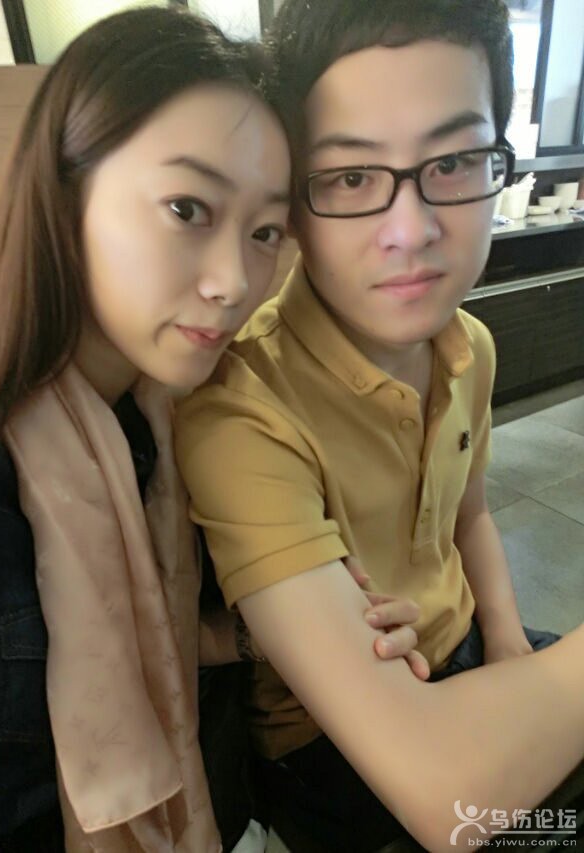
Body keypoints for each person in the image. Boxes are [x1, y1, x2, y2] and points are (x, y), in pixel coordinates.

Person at [0, 7, 428, 851]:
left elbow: (141, 632)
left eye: (264, 231)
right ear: (63, 189)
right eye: (186, 207)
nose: (234, 281)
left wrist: (284, 626)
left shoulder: (173, 417)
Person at [175, 1, 584, 849]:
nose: (411, 231)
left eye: (454, 161)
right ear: (293, 202)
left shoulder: (469, 343)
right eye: (352, 177)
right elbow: (442, 799)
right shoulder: (241, 408)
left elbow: (468, 517)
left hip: (465, 649)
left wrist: (509, 643)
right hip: (334, 743)